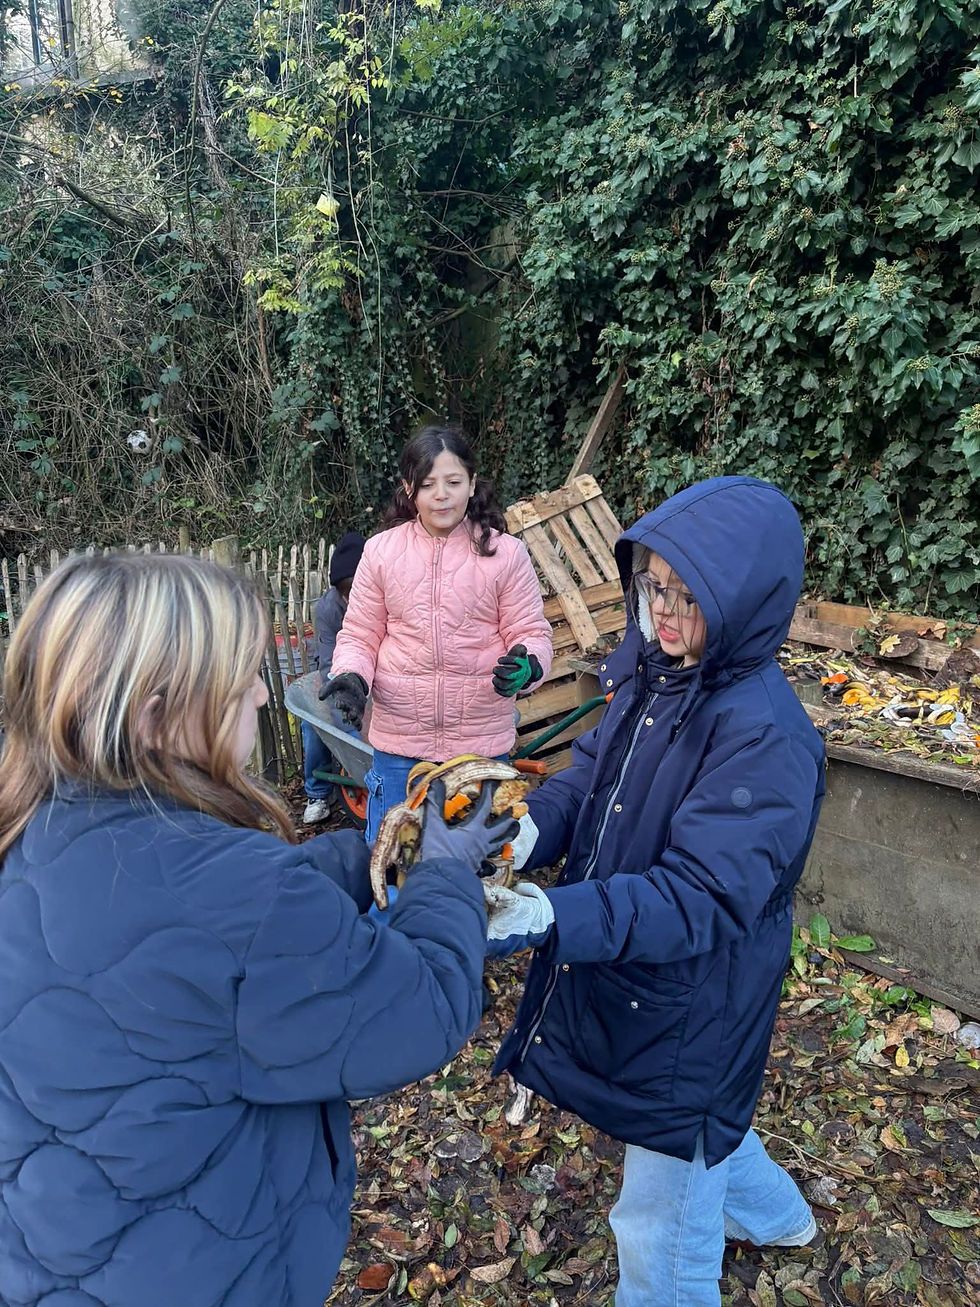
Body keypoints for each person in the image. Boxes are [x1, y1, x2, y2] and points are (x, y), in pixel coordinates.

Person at [0, 552, 517, 1307]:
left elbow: (204, 936)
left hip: (60, 1257)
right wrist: (442, 868)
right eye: (237, 675)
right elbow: (424, 1004)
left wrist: (373, 851)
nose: (257, 692)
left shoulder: (31, 834)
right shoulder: (242, 895)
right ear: (153, 716)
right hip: (208, 1272)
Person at [483, 476, 826, 1307]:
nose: (663, 610)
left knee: (659, 1217)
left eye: (686, 592)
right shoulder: (652, 675)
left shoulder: (766, 737)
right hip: (646, 981)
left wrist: (548, 913)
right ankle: (785, 1222)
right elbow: (590, 776)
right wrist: (530, 833)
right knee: (706, 1129)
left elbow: (697, 896)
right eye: (653, 584)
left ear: (743, 599)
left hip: (697, 999)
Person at [323, 425, 554, 845]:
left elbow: (531, 632)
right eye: (428, 484)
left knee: (478, 866)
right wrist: (353, 676)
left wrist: (529, 665)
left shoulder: (505, 555)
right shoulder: (381, 552)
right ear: (409, 489)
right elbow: (360, 633)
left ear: (471, 484)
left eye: (453, 482)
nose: (441, 495)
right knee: (394, 864)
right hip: (399, 744)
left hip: (480, 746)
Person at [301, 531, 366, 824]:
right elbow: (329, 664)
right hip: (344, 677)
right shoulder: (328, 608)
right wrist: (351, 732)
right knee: (312, 722)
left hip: (385, 677)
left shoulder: (391, 597)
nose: (352, 598)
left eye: (358, 589)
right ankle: (317, 794)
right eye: (345, 592)